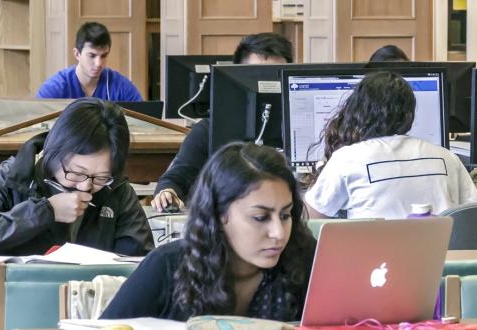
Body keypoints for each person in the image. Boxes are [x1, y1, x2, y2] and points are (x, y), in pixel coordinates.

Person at [101, 142, 317, 321]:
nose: (278, 233)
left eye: (285, 215)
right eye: (260, 218)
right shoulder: (167, 266)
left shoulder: (307, 261)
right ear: (219, 214)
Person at [0, 98, 154, 256]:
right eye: (76, 173)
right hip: (18, 287)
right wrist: (45, 211)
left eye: (100, 177)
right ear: (53, 153)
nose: (85, 187)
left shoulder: (117, 190)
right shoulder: (14, 175)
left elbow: (139, 260)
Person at [305, 71, 477, 219]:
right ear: (409, 114)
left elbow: (311, 218)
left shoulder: (347, 159)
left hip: (376, 256)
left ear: (357, 111)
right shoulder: (447, 157)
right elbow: (470, 214)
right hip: (442, 256)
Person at [151, 32, 292, 212]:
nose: (268, 83)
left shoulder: (302, 130)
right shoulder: (208, 131)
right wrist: (167, 192)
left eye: (275, 74)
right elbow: (176, 177)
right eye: (258, 75)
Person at [37, 22, 142, 101]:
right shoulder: (55, 87)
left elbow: (145, 121)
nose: (98, 63)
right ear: (77, 54)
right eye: (92, 56)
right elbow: (35, 123)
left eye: (104, 56)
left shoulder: (121, 86)